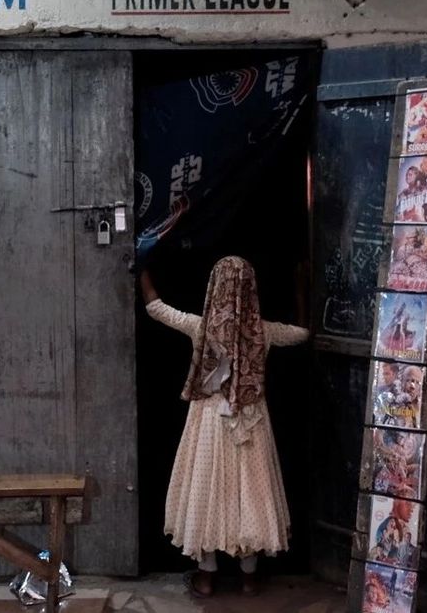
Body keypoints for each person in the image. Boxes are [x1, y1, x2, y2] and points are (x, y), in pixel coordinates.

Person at [140, 256, 309, 597]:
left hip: (208, 421)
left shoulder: (200, 328)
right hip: (251, 421)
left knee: (206, 493)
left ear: (213, 287)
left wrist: (140, 268)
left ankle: (206, 574)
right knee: (249, 494)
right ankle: (248, 577)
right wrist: (302, 288)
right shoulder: (263, 331)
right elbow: (303, 334)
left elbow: (156, 308)